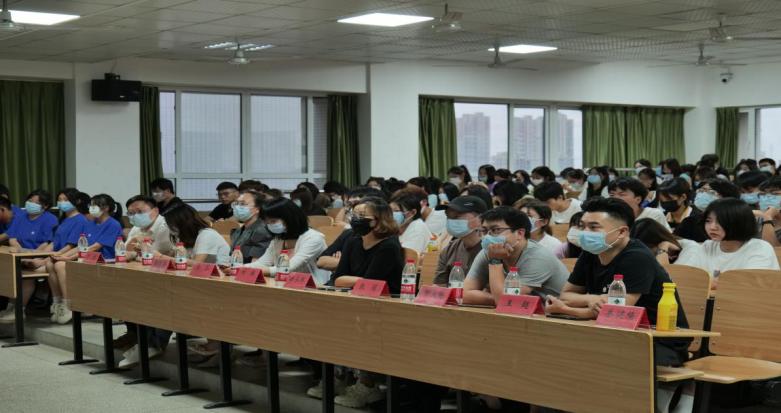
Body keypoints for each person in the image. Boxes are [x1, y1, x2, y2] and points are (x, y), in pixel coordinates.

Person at [545, 197, 691, 368]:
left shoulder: (637, 257)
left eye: (593, 227)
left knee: (597, 360)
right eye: (582, 226)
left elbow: (617, 310)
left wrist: (567, 310)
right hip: (613, 332)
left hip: (658, 339)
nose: (585, 232)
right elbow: (566, 295)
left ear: (622, 232)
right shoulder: (590, 253)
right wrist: (592, 299)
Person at [310, 196, 404, 407]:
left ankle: (367, 385)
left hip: (385, 305)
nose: (355, 219)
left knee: (359, 324)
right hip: (354, 299)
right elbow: (338, 278)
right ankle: (338, 376)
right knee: (326, 319)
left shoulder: (389, 246)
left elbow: (370, 283)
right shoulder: (353, 240)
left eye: (362, 215)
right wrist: (356, 280)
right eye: (354, 214)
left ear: (378, 220)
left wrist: (352, 280)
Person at [42, 194, 123, 325]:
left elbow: (95, 247)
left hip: (103, 260)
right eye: (91, 205)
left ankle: (69, 305)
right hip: (86, 259)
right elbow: (81, 246)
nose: (91, 208)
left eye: (95, 205)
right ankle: (58, 302)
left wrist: (68, 258)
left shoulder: (113, 224)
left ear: (106, 208)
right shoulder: (90, 224)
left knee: (60, 265)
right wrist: (62, 255)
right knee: (51, 263)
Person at [463, 207, 568, 306]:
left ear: (520, 233)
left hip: (556, 315)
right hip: (523, 313)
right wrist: (498, 298)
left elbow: (504, 301)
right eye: (485, 231)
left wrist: (495, 261)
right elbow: (464, 294)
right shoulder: (490, 251)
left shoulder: (539, 257)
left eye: (496, 230)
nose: (488, 236)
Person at [111, 195, 177, 350]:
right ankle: (134, 333)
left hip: (165, 276)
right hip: (144, 274)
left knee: (144, 294)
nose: (135, 216)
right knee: (123, 290)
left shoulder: (165, 227)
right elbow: (124, 252)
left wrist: (137, 251)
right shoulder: (137, 228)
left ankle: (153, 341)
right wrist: (135, 252)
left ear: (155, 211)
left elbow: (154, 256)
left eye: (140, 212)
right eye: (131, 213)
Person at [246, 198, 328, 283]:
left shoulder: (314, 238)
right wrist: (240, 268)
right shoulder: (278, 239)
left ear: (290, 217)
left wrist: (254, 271)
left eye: (273, 221)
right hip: (283, 284)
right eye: (267, 223)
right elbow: (262, 263)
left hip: (313, 286)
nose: (270, 225)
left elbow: (287, 269)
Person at [701, 198, 780, 283]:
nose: (712, 227)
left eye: (720, 221)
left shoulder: (760, 248)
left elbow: (750, 285)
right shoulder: (707, 246)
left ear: (739, 223)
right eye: (708, 221)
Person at [432, 196, 488, 286]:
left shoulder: (491, 249)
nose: (451, 221)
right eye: (448, 216)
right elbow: (439, 286)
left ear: (480, 219)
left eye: (457, 216)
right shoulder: (449, 249)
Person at [630, 218, 707, 272]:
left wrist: (663, 249)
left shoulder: (691, 248)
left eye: (648, 249)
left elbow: (668, 279)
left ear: (658, 241)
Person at [658, 178, 707, 243]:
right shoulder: (661, 217)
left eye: (669, 199)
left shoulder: (698, 220)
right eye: (661, 200)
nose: (664, 202)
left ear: (683, 197)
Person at [230, 190, 272, 263]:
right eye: (236, 203)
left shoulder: (262, 231)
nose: (237, 207)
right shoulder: (238, 230)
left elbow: (256, 264)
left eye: (242, 204)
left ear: (257, 209)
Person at [389, 190, 432, 254]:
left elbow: (407, 257)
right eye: (390, 210)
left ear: (413, 212)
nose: (392, 214)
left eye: (396, 211)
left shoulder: (417, 229)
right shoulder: (399, 227)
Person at [759, 176, 781, 246]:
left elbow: (772, 250)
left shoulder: (765, 217)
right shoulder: (756, 219)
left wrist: (767, 218)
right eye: (763, 194)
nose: (767, 197)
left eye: (775, 193)